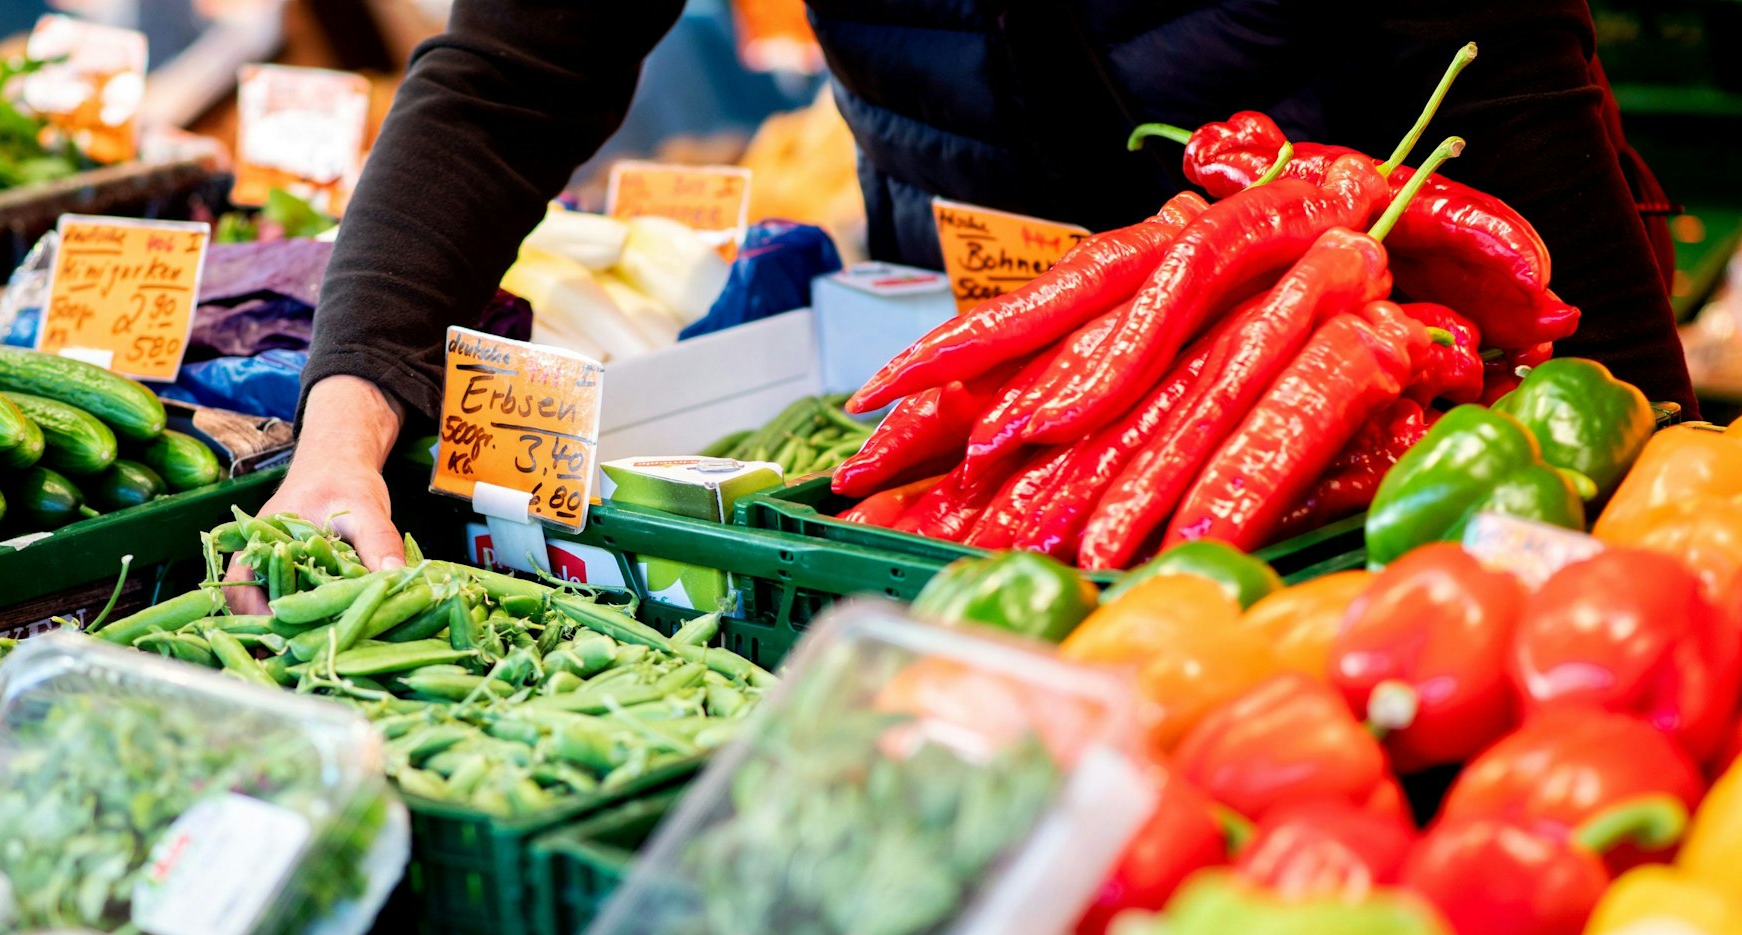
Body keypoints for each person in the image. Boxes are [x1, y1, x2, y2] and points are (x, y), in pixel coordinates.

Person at [240, 0, 1687, 583]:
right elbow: (507, 83)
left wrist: (1651, 468)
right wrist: (339, 442)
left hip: (1349, 388)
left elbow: (1519, 104)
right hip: (978, 376)